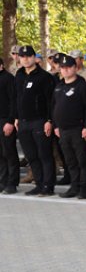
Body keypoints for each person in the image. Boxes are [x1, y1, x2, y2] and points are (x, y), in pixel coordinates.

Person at [13, 45, 56, 196]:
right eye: (22, 56)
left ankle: (48, 186)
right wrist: (16, 117)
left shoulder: (44, 77)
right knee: (31, 155)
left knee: (44, 154)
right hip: (23, 121)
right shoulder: (19, 75)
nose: (25, 59)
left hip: (40, 120)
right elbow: (17, 98)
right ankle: (39, 183)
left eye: (28, 56)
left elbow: (51, 100)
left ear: (34, 58)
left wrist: (49, 120)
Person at [52, 54, 86, 199]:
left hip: (78, 129)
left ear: (75, 68)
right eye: (62, 68)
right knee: (70, 161)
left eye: (68, 67)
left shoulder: (82, 85)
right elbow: (54, 107)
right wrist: (56, 125)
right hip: (63, 130)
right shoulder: (59, 86)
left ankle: (84, 188)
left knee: (82, 160)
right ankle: (74, 186)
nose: (65, 70)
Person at [0, 58, 17, 194]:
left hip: (6, 120)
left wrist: (10, 121)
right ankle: (2, 181)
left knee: (9, 153)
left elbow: (13, 101)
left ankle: (12, 183)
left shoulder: (8, 78)